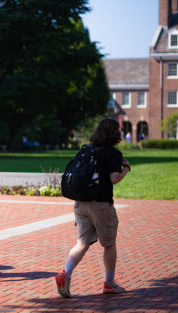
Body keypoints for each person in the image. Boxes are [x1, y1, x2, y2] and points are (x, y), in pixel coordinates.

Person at [55, 118, 131, 298]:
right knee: (109, 244)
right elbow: (114, 178)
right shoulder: (112, 154)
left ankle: (65, 274)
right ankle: (109, 283)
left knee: (82, 242)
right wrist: (126, 168)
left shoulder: (88, 151)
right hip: (101, 204)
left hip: (80, 203)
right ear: (115, 134)